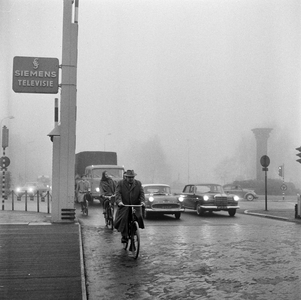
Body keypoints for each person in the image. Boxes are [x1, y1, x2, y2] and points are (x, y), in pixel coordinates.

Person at [114, 169, 145, 243]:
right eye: (129, 177)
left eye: (132, 177)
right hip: (124, 205)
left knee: (138, 216)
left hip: (135, 205)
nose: (131, 179)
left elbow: (142, 193)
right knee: (124, 219)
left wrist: (142, 201)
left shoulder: (138, 183)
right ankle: (124, 235)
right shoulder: (121, 183)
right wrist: (119, 202)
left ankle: (135, 230)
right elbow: (118, 193)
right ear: (126, 177)